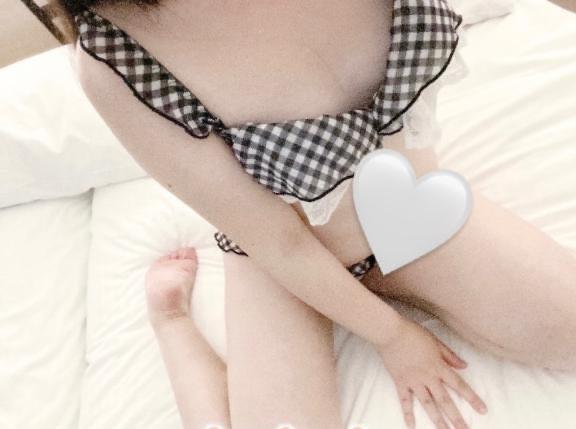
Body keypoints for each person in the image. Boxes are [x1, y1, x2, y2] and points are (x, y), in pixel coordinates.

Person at [55, 0, 576, 428]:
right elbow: (276, 241)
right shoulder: (115, 54)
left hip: (406, 212)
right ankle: (170, 321)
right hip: (282, 260)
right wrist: (393, 336)